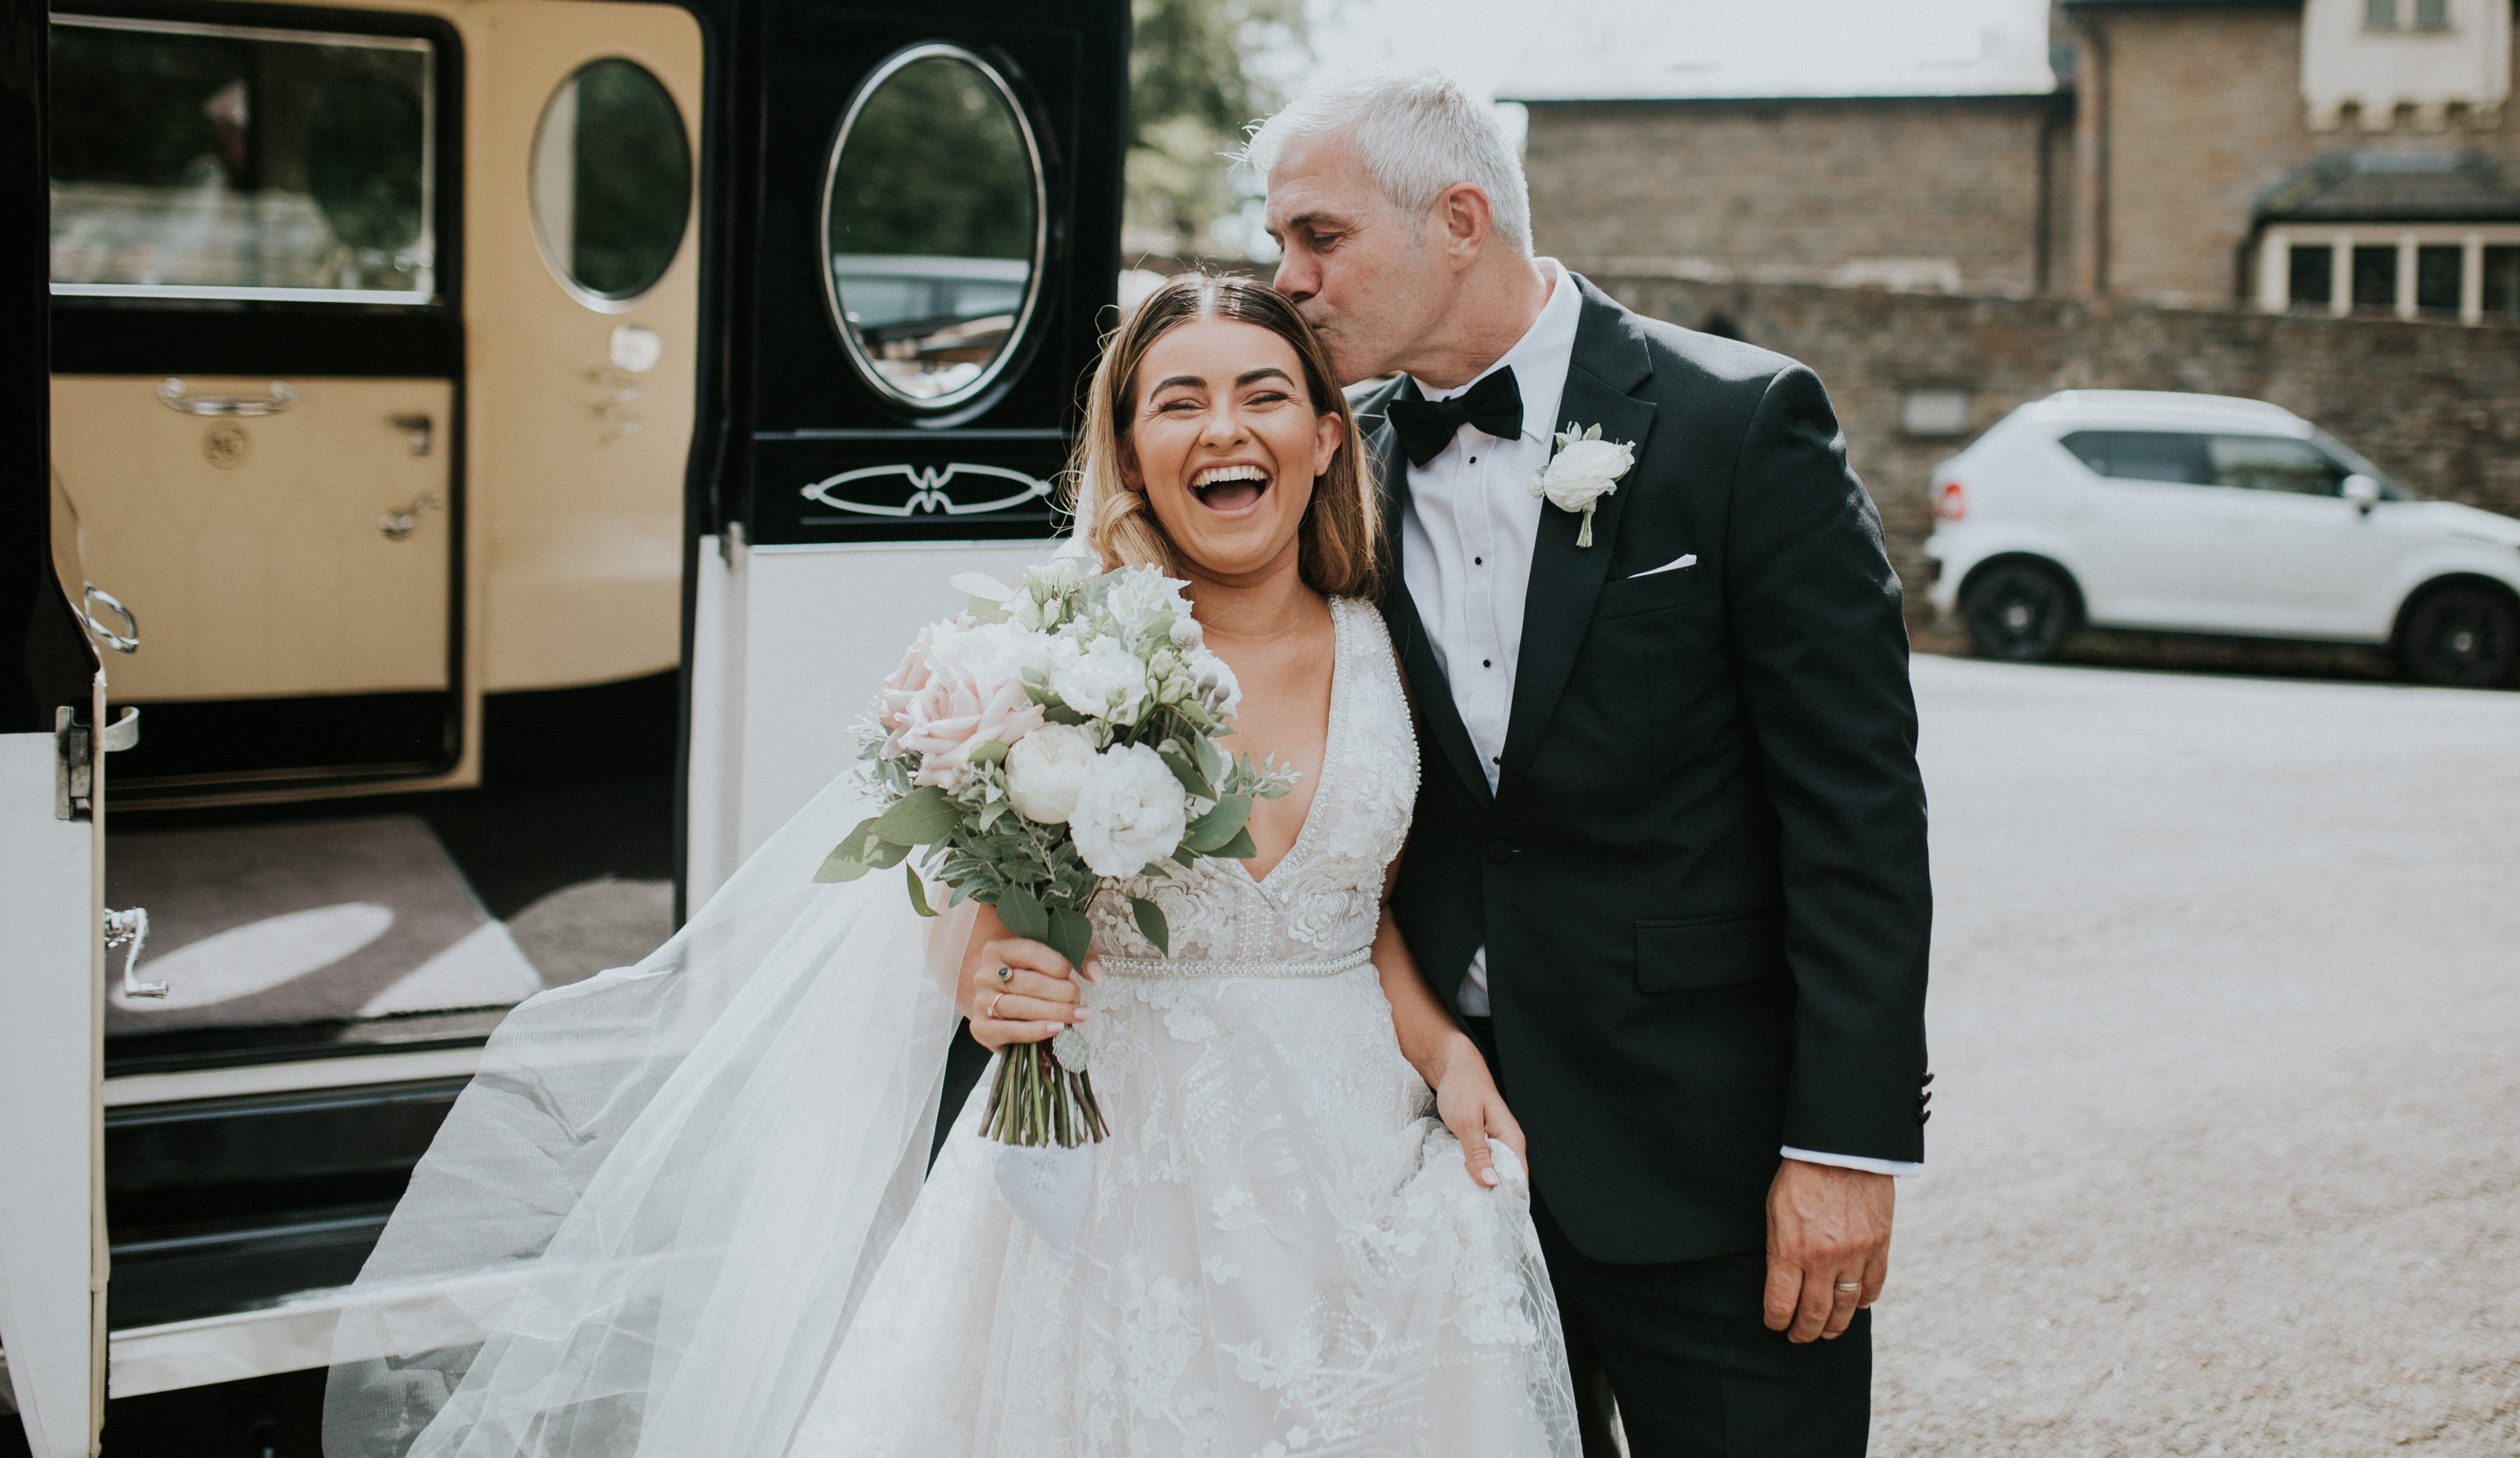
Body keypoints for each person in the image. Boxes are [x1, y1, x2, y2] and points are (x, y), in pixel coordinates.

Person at [323, 275, 1582, 1458]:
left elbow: (1352, 917)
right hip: (1112, 1168)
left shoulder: (1387, 649)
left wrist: (1444, 1050)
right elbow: (966, 909)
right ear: (1132, 448)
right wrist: (991, 979)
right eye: (1178, 402)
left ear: (1322, 437)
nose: (1222, 430)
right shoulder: (1058, 647)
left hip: (1347, 1167)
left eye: (1261, 394)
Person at [1245, 72, 1935, 1458]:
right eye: (1280, 245)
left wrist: (1847, 1148)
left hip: (1712, 1165)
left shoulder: (1744, 426)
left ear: (1458, 217)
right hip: (1435, 1157)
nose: (1289, 281)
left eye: (1319, 238)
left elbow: (1857, 815)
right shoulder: (1340, 467)